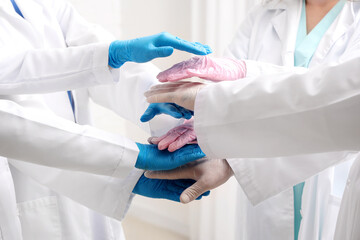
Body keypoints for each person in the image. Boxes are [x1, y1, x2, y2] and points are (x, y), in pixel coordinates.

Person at [144, 0, 360, 239]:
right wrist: (195, 107)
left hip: (328, 178)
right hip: (265, 191)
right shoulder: (264, 12)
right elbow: (221, 86)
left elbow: (340, 101)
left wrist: (231, 159)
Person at [0, 0, 212, 239]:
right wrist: (130, 159)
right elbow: (11, 120)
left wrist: (161, 94)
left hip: (83, 169)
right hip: (22, 185)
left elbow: (87, 48)